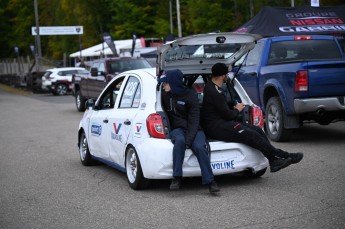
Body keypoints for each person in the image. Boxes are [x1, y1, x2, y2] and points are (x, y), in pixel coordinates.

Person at [201, 63, 303, 173]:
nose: (227, 76)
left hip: (222, 123)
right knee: (252, 135)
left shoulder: (212, 87)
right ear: (222, 75)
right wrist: (237, 109)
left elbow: (221, 110)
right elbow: (229, 115)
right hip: (217, 127)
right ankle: (284, 155)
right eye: (226, 73)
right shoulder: (214, 91)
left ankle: (273, 161)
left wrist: (232, 108)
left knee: (257, 130)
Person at [159, 69, 220, 193]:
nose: (163, 85)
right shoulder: (164, 95)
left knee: (199, 147)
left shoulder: (190, 96)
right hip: (177, 130)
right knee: (179, 140)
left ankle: (210, 181)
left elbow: (194, 121)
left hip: (195, 129)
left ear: (174, 83)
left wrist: (189, 141)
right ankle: (176, 177)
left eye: (166, 82)